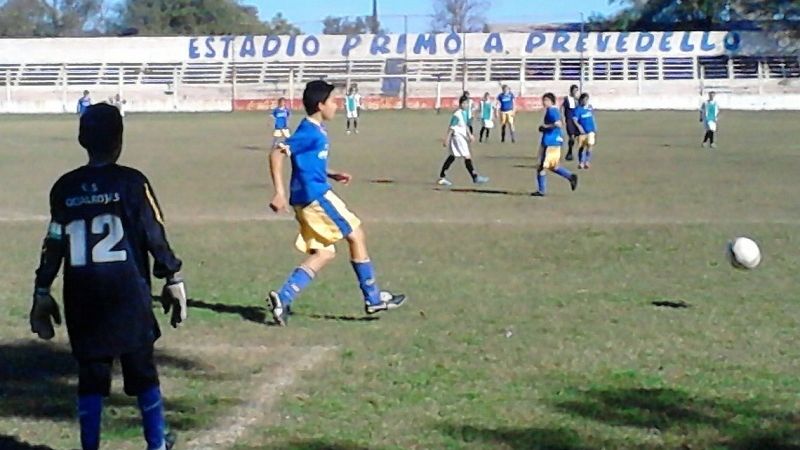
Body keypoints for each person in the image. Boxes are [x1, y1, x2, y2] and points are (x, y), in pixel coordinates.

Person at [30, 103, 185, 450]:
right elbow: (152, 232)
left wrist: (42, 289)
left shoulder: (64, 188)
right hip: (128, 295)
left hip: (83, 298)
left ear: (82, 139)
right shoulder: (132, 182)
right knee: (143, 373)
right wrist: (172, 277)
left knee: (91, 378)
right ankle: (157, 443)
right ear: (119, 139)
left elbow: (54, 241)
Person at [267, 80, 406, 325]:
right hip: (316, 196)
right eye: (332, 101)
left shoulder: (316, 130)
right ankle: (373, 298)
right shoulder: (309, 131)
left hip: (308, 196)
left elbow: (308, 163)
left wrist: (331, 173)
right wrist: (278, 192)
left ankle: (283, 297)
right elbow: (277, 152)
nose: (337, 105)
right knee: (356, 234)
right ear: (320, 105)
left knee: (324, 252)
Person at [437, 96, 490, 186]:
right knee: (467, 156)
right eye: (465, 103)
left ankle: (442, 177)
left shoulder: (464, 113)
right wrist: (446, 139)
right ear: (461, 104)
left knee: (452, 157)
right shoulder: (457, 114)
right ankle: (475, 177)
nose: (466, 105)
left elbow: (465, 125)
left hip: (460, 137)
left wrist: (469, 135)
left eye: (467, 103)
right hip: (458, 137)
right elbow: (451, 127)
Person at [533, 93, 578, 196]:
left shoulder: (552, 111)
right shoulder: (553, 110)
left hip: (551, 142)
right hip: (553, 142)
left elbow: (558, 123)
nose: (543, 103)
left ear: (550, 101)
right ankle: (570, 177)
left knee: (542, 167)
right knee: (553, 166)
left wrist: (545, 127)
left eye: (545, 100)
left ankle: (541, 191)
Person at [572, 93, 597, 170]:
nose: (586, 101)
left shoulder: (589, 108)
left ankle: (587, 161)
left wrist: (594, 127)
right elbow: (574, 120)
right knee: (581, 147)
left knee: (590, 145)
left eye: (587, 99)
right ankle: (581, 162)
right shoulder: (578, 109)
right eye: (584, 100)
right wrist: (579, 127)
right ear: (581, 100)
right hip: (582, 132)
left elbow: (592, 117)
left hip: (590, 131)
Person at [562, 84, 580, 161]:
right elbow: (562, 108)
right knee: (571, 137)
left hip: (576, 120)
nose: (575, 92)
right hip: (569, 119)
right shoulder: (567, 99)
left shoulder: (578, 100)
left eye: (576, 90)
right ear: (571, 90)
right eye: (574, 90)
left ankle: (570, 151)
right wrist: (562, 117)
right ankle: (569, 152)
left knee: (576, 137)